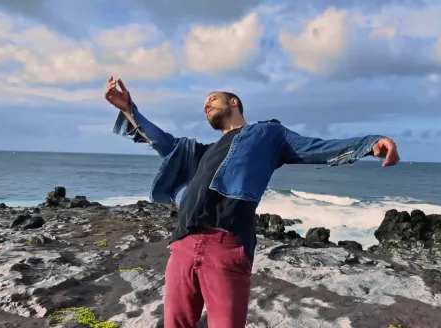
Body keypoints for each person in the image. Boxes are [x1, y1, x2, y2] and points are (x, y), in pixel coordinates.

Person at [104, 76, 400, 328]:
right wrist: (130, 109)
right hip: (183, 242)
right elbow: (162, 141)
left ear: (234, 102)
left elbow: (314, 147)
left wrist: (368, 144)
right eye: (204, 103)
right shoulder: (202, 152)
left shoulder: (267, 134)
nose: (206, 104)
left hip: (227, 244)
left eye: (213, 98)